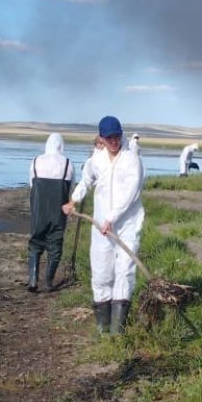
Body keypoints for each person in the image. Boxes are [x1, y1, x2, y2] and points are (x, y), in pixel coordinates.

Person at [63, 115, 145, 335]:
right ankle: (103, 329)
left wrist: (113, 217)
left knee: (124, 271)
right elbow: (86, 180)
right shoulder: (96, 160)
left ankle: (118, 331)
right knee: (101, 272)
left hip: (126, 224)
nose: (114, 141)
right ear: (101, 138)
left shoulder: (131, 159)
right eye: (109, 138)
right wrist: (74, 199)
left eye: (117, 136)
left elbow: (131, 192)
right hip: (101, 226)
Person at [27, 132, 75, 293]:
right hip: (58, 211)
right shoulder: (68, 163)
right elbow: (71, 189)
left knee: (35, 242)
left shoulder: (35, 161)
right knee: (55, 244)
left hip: (38, 210)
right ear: (62, 146)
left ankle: (33, 280)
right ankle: (48, 282)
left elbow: (31, 186)